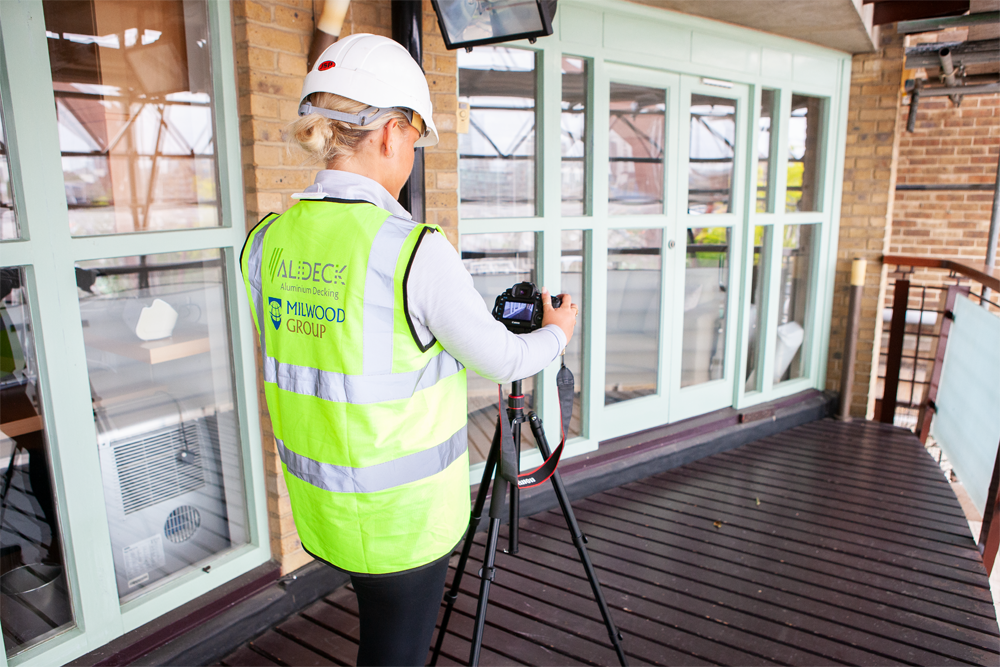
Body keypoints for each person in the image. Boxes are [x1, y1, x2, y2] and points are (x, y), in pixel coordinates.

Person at [239, 34, 577, 667]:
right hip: (402, 522)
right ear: (392, 133)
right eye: (416, 141)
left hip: (323, 507)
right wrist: (556, 332)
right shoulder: (414, 250)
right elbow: (503, 359)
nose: (413, 156)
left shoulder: (265, 241)